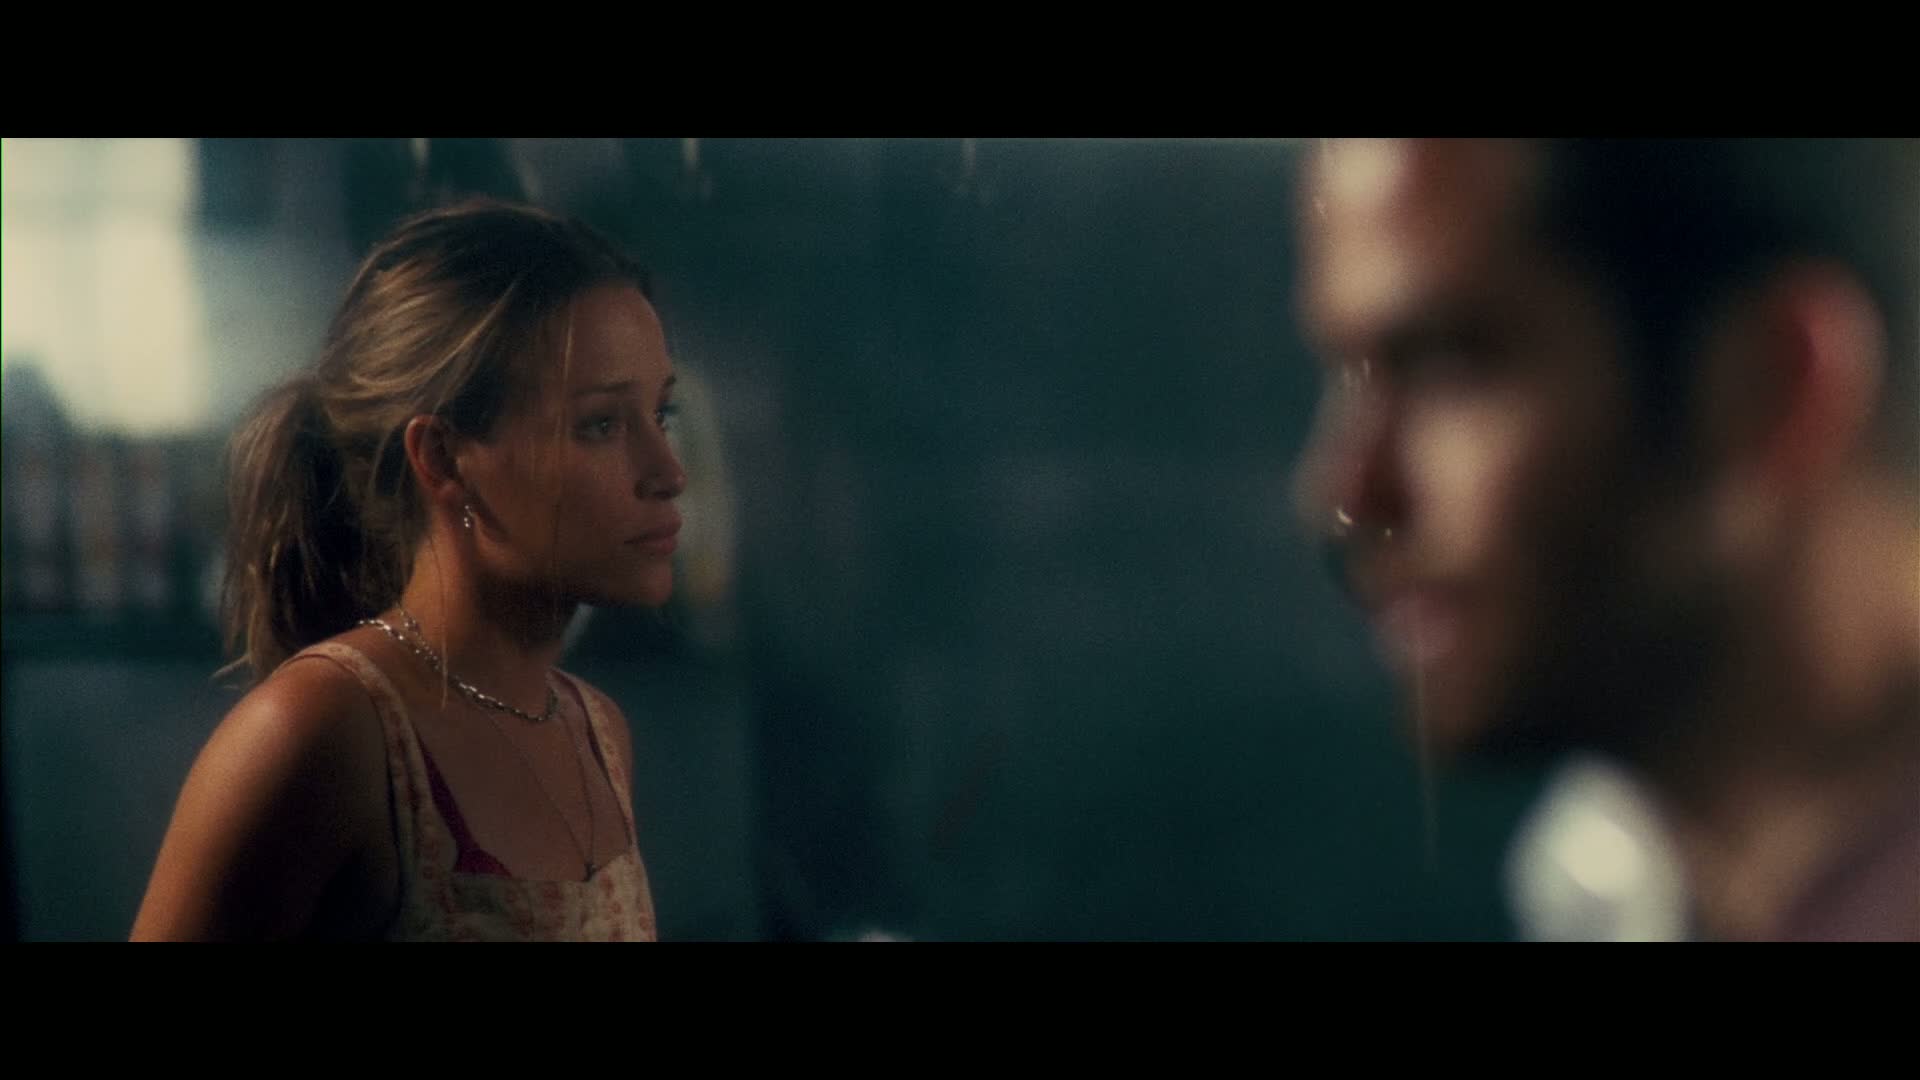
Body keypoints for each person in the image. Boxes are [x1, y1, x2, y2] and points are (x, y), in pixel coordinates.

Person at [1291, 139, 1919, 940]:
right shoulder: (1607, 890)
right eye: (1348, 373)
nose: (1346, 496)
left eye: (1451, 365)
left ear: (1779, 385)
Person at [133, 198, 686, 940]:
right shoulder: (323, 731)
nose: (668, 472)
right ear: (444, 459)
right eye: (602, 424)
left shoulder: (600, 735)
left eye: (663, 415)